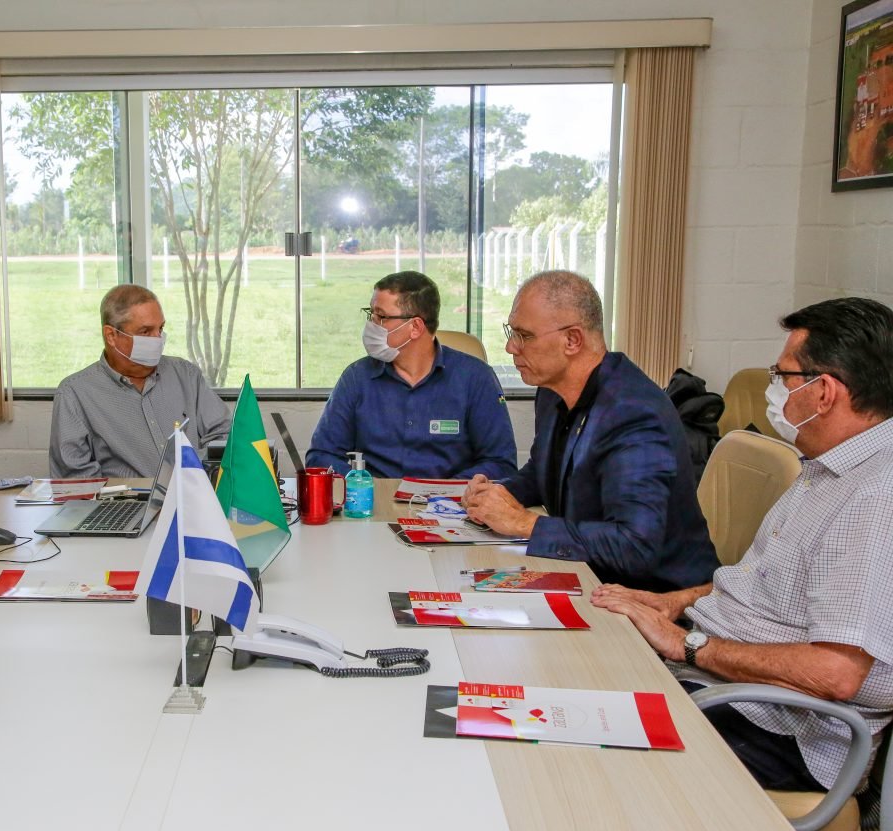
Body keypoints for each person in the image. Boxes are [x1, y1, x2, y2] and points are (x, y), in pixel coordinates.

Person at [593, 297, 893, 797]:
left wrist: (687, 644)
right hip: (725, 680)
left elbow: (837, 674)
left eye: (784, 376)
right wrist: (674, 603)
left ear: (824, 392)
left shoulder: (875, 497)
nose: (775, 390)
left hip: (781, 730)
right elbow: (764, 582)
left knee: (581, 745)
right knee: (575, 670)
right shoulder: (826, 467)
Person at [466, 270, 717, 591]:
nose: (510, 347)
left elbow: (634, 547)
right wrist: (495, 494)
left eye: (524, 336)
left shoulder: (633, 413)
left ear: (572, 340)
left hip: (652, 595)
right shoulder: (552, 390)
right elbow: (542, 474)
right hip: (588, 574)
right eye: (511, 332)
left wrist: (523, 523)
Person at [306, 271, 517, 480]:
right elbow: (321, 456)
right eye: (371, 314)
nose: (371, 324)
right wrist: (362, 483)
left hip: (451, 499)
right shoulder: (356, 378)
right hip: (372, 497)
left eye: (381, 317)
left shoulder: (476, 378)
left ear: (415, 327)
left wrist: (447, 489)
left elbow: (501, 464)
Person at [49, 284, 231, 478]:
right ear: (111, 335)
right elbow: (75, 479)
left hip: (194, 492)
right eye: (145, 332)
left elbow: (224, 436)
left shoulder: (186, 375)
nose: (158, 339)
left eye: (160, 329)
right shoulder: (75, 394)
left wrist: (196, 472)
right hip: (125, 497)